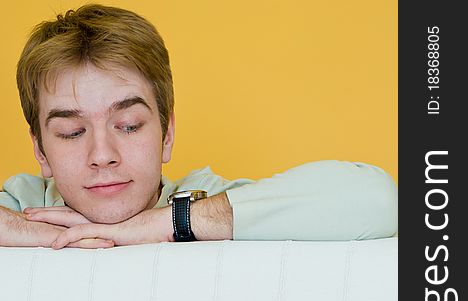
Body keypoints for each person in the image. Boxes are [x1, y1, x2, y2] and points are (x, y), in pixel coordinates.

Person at [0, 4, 397, 250]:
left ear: (166, 135)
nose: (102, 155)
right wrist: (50, 237)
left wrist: (163, 224)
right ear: (40, 149)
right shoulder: (23, 204)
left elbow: (377, 199)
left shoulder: (205, 199)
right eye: (72, 132)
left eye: (128, 125)